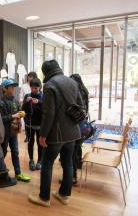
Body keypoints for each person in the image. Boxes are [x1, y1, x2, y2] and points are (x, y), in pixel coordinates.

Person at [28, 60, 82, 207]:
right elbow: (80, 106)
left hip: (57, 134)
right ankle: (64, 194)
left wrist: (43, 135)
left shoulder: (50, 85)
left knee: (47, 163)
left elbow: (48, 113)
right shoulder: (72, 82)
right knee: (68, 162)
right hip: (73, 131)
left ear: (46, 72)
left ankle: (44, 198)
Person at [0, 78, 31, 182]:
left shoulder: (15, 101)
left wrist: (21, 114)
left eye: (13, 86)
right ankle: (1, 171)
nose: (13, 88)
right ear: (5, 88)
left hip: (14, 132)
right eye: (11, 86)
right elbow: (0, 119)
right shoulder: (0, 103)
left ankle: (18, 173)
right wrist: (13, 116)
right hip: (4, 133)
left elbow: (17, 113)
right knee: (2, 153)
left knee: (15, 152)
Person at [70, 74, 90, 185]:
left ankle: (72, 177)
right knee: (77, 146)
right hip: (83, 121)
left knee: (73, 150)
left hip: (77, 122)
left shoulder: (78, 92)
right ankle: (78, 165)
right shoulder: (84, 91)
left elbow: (76, 109)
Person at [22, 78, 43, 171]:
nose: (34, 89)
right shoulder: (27, 96)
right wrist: (26, 102)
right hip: (29, 124)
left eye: (36, 87)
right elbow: (23, 110)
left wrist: (38, 102)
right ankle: (31, 160)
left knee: (40, 143)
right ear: (30, 87)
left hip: (41, 124)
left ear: (40, 87)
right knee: (30, 142)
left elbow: (47, 108)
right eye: (33, 87)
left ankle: (39, 160)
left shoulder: (43, 96)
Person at [20, 72, 38, 143]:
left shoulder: (37, 85)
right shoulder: (24, 86)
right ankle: (27, 136)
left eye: (32, 77)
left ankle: (34, 135)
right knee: (26, 121)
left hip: (35, 106)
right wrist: (23, 102)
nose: (30, 78)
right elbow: (21, 96)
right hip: (26, 105)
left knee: (34, 121)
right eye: (29, 76)